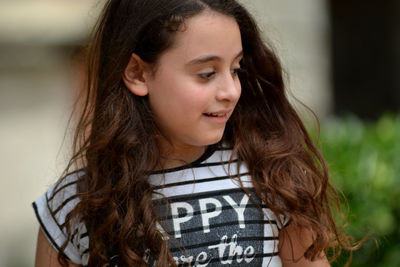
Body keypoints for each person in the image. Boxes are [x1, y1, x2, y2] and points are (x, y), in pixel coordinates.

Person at [32, 0, 354, 266]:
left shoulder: (269, 175)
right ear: (137, 73)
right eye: (206, 73)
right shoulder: (76, 205)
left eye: (236, 69)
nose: (230, 90)